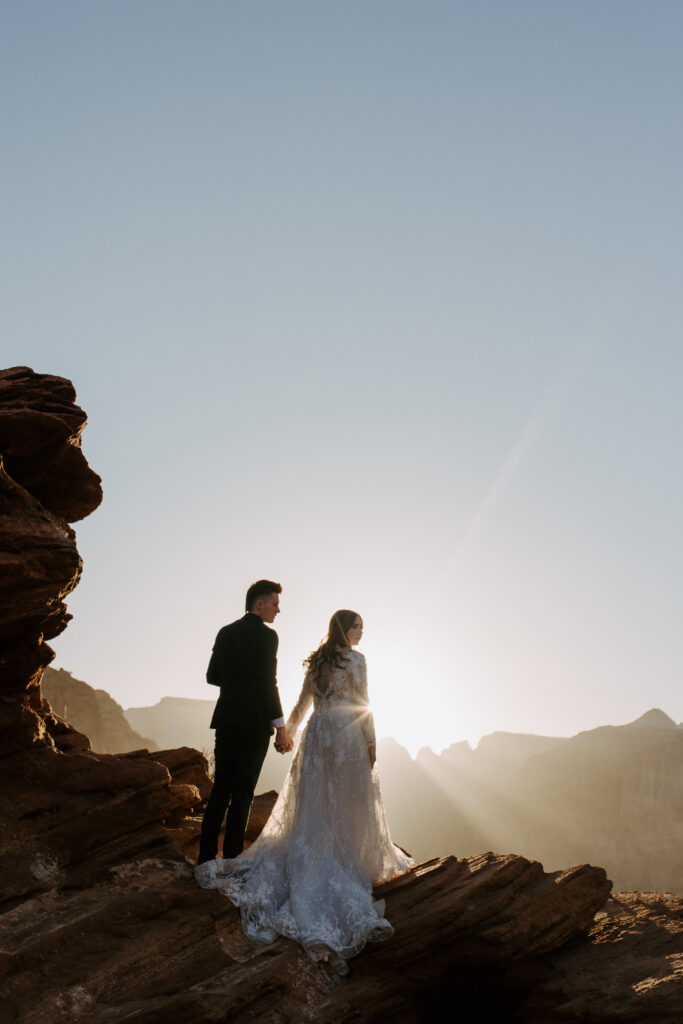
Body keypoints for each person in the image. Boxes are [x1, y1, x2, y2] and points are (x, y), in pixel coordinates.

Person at [195, 609, 413, 969]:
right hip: (345, 737)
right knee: (346, 800)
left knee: (316, 801)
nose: (362, 633)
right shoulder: (356, 661)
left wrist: (290, 734)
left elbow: (302, 703)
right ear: (347, 629)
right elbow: (365, 705)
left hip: (317, 736)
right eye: (359, 626)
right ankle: (347, 856)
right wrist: (371, 744)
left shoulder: (316, 662)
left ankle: (322, 847)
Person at [197, 580, 293, 868]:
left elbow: (212, 676)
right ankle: (232, 859)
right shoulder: (268, 636)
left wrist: (236, 681)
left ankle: (204, 859)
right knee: (243, 792)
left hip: (226, 718)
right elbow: (269, 682)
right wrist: (281, 726)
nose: (278, 609)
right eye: (275, 603)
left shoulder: (225, 632)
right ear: (259, 604)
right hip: (254, 723)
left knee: (220, 789)